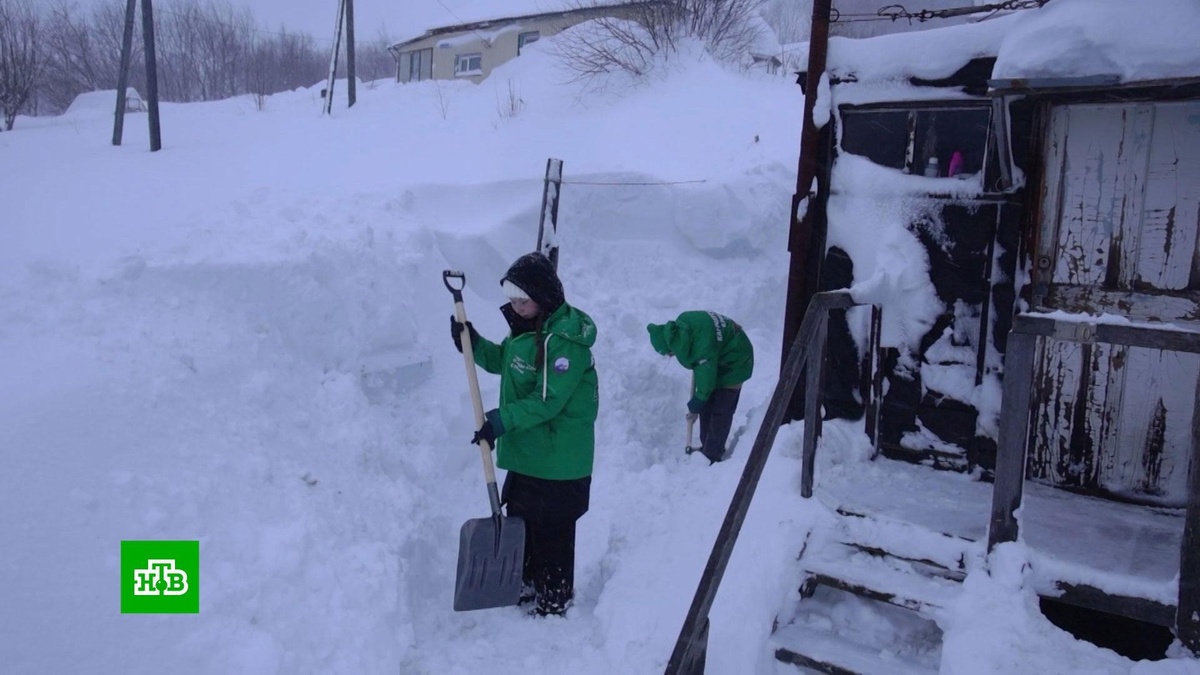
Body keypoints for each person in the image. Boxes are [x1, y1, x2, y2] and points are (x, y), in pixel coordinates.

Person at [450, 252, 598, 617]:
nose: (515, 306)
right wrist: (472, 342)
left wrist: (500, 420)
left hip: (558, 461)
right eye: (512, 299)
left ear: (544, 296)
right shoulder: (530, 327)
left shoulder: (564, 342)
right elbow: (507, 362)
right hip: (531, 454)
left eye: (522, 300)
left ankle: (554, 598)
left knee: (552, 533)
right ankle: (527, 582)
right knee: (524, 523)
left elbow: (547, 401)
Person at [646, 311, 753, 463]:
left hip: (736, 359)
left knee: (721, 408)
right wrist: (700, 402)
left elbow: (705, 382)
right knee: (707, 403)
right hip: (720, 353)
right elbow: (704, 370)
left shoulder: (700, 348)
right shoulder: (683, 326)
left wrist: (696, 404)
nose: (672, 356)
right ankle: (707, 447)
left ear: (671, 347)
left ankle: (712, 455)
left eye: (670, 354)